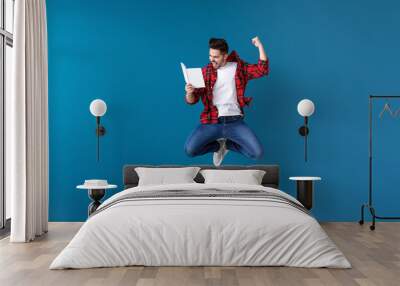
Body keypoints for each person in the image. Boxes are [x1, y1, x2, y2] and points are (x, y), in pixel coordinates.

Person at [184, 37, 269, 166]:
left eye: (216, 57)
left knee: (257, 153)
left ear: (225, 56)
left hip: (234, 121)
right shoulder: (204, 72)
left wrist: (260, 46)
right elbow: (192, 100)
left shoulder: (239, 67)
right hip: (212, 121)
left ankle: (227, 145)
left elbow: (262, 70)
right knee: (190, 150)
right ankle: (218, 147)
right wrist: (189, 93)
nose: (212, 59)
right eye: (210, 55)